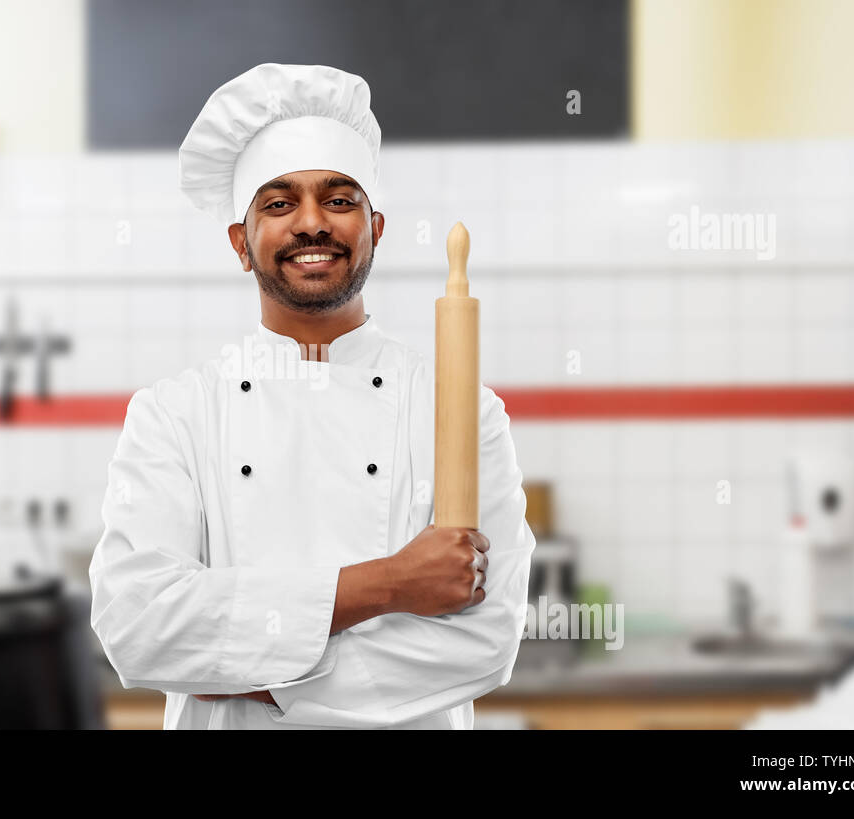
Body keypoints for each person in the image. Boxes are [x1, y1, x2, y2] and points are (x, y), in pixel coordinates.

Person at [88, 63, 535, 729]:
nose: (310, 223)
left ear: (375, 227)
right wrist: (390, 584)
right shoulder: (174, 415)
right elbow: (135, 622)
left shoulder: (460, 411)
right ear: (242, 243)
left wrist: (260, 677)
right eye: (278, 203)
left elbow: (487, 639)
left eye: (339, 198)